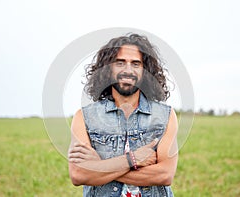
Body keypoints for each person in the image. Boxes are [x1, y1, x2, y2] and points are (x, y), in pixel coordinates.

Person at [68, 33, 178, 197]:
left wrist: (100, 167)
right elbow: (79, 174)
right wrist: (132, 160)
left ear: (145, 70)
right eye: (120, 63)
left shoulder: (165, 116)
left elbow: (164, 175)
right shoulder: (84, 118)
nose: (128, 70)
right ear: (107, 69)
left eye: (135, 64)